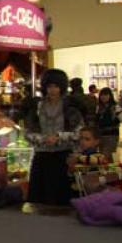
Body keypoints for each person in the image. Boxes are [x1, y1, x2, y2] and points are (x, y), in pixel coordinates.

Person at [23, 69, 83, 208]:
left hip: (63, 155)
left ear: (62, 87)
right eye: (49, 86)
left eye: (56, 86)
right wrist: (41, 139)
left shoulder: (70, 107)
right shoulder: (36, 107)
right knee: (39, 197)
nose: (52, 90)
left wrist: (59, 137)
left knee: (62, 196)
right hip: (42, 155)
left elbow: (79, 131)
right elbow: (27, 132)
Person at [94, 87, 122, 162]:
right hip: (101, 135)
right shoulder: (98, 107)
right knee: (102, 157)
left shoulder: (115, 107)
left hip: (111, 135)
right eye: (102, 95)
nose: (103, 97)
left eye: (106, 95)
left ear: (110, 96)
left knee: (106, 156)